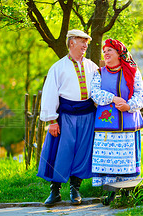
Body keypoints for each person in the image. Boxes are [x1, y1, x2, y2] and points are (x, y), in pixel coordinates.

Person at [37, 29, 99, 206]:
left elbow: (98, 91)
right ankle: (55, 191)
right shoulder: (58, 67)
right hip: (65, 116)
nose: (85, 45)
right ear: (71, 43)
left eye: (86, 42)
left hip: (87, 115)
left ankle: (75, 190)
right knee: (60, 152)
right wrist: (51, 120)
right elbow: (49, 94)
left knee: (82, 152)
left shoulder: (92, 66)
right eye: (82, 42)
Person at [90, 39, 143, 204]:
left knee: (126, 160)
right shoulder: (99, 73)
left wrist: (128, 105)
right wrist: (114, 99)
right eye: (104, 51)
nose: (106, 53)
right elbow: (95, 93)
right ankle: (109, 193)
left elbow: (141, 95)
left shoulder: (133, 72)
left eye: (110, 50)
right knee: (108, 161)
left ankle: (128, 192)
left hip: (128, 124)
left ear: (119, 54)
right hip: (106, 125)